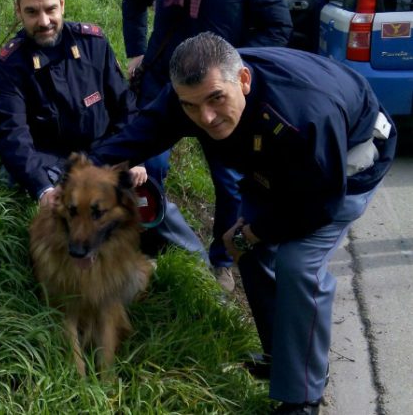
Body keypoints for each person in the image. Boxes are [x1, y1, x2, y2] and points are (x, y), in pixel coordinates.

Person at [91, 32, 396, 414]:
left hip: (344, 164)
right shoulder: (191, 93)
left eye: (216, 99)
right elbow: (140, 135)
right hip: (276, 165)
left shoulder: (305, 113)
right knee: (247, 251)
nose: (206, 118)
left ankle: (303, 398)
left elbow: (321, 203)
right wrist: (77, 174)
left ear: (244, 80)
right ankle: (281, 357)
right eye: (191, 106)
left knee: (298, 266)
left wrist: (254, 230)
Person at [122, 0, 293, 291]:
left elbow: (277, 27)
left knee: (230, 182)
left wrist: (234, 69)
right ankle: (150, 246)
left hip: (218, 99)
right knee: (146, 172)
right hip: (163, 89)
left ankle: (221, 260)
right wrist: (136, 51)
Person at [0, 0, 209, 263]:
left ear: (63, 5)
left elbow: (125, 105)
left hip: (105, 151)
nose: (43, 21)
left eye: (50, 9)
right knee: (67, 206)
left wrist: (135, 157)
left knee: (153, 203)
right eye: (32, 12)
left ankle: (201, 267)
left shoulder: (92, 43)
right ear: (18, 12)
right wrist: (42, 187)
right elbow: (11, 134)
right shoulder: (11, 64)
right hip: (53, 160)